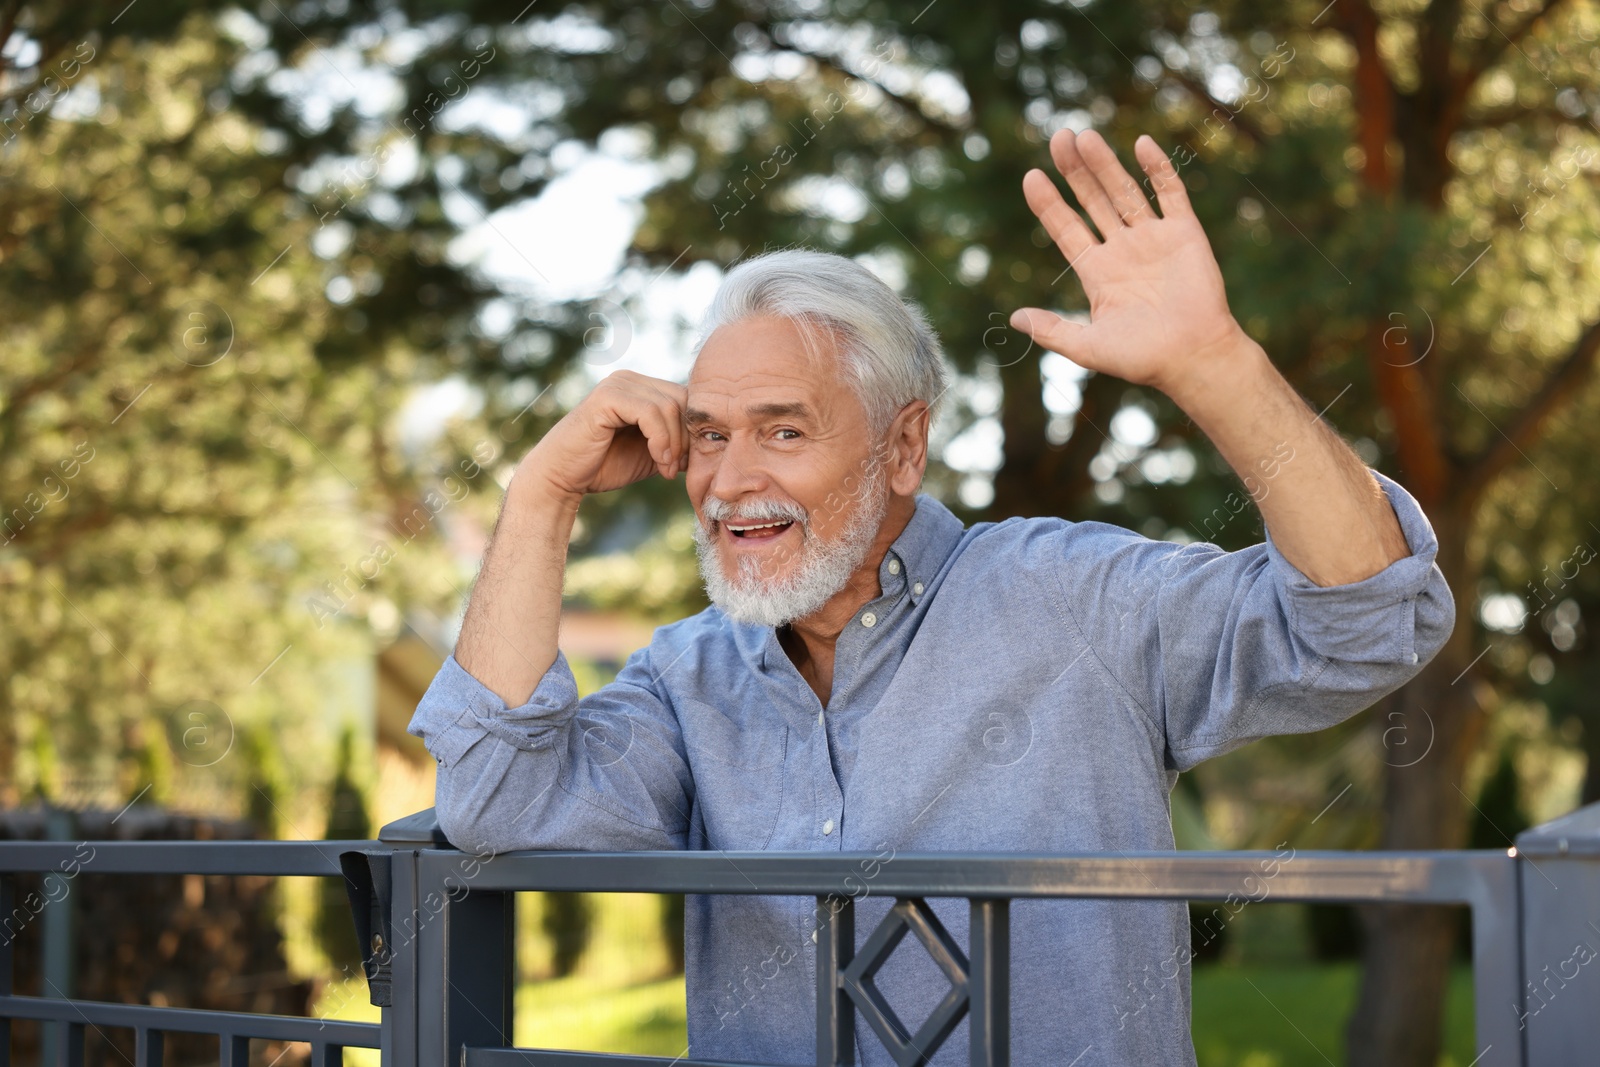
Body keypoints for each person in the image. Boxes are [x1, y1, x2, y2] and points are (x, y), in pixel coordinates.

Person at [407, 130, 1455, 1066]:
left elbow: (1361, 619)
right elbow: (495, 802)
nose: (728, 483)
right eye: (711, 435)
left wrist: (1213, 364)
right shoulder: (687, 675)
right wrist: (541, 496)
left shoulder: (1072, 597)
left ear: (903, 445)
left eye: (782, 430)